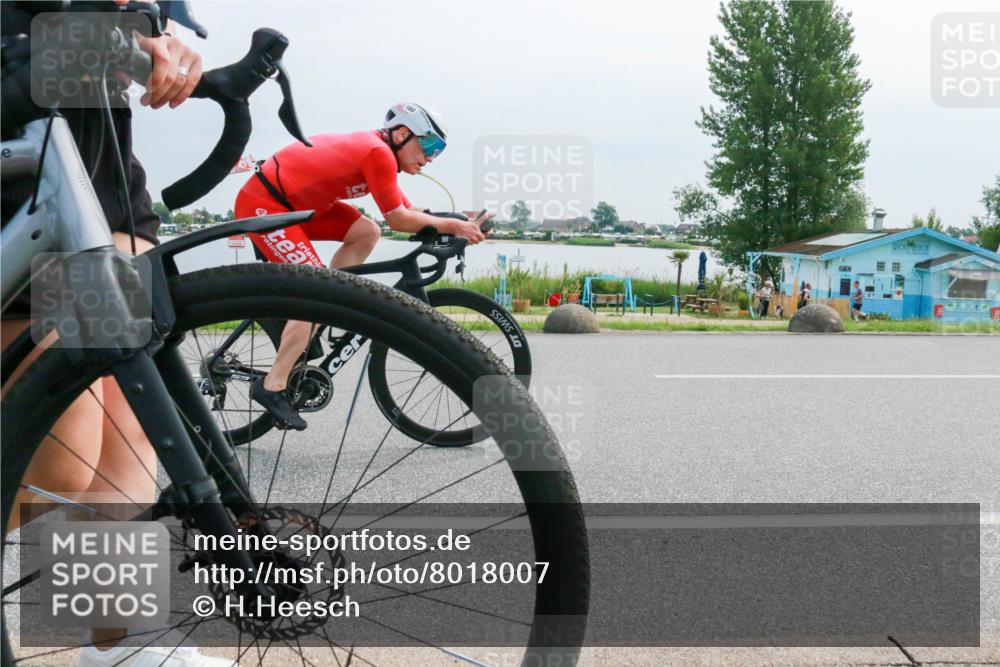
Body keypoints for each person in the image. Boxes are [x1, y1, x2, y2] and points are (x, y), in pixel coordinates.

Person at [1, 5, 235, 666]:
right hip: (20, 163)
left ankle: (123, 647)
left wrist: (161, 42)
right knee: (57, 459)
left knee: (128, 437)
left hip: (101, 180)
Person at [234, 102, 491, 430]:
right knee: (313, 294)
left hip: (300, 205)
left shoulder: (382, 153)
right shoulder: (378, 153)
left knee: (365, 231)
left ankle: (329, 302)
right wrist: (455, 227)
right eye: (428, 145)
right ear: (401, 133)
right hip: (265, 205)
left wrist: (462, 220)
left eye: (437, 151)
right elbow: (398, 219)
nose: (430, 157)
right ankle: (272, 385)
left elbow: (412, 211)